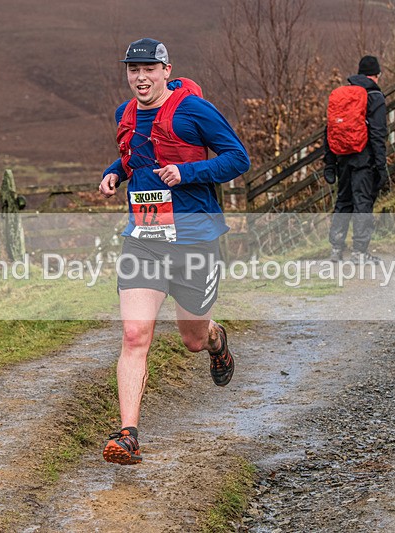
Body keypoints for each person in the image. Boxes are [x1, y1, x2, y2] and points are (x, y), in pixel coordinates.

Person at [98, 37, 250, 465]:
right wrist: (113, 173)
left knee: (192, 339)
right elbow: (134, 158)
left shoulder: (193, 110)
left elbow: (238, 159)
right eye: (133, 70)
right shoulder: (125, 114)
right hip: (144, 236)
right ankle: (128, 434)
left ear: (167, 70)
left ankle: (216, 340)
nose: (141, 77)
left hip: (194, 238)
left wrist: (188, 172)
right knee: (133, 335)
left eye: (150, 69)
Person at [323, 55, 388, 264]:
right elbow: (378, 134)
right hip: (364, 158)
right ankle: (360, 253)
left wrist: (330, 162)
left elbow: (330, 128)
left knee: (343, 201)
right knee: (363, 202)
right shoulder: (375, 96)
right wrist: (381, 165)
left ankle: (336, 249)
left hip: (342, 156)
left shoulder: (345, 94)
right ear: (376, 75)